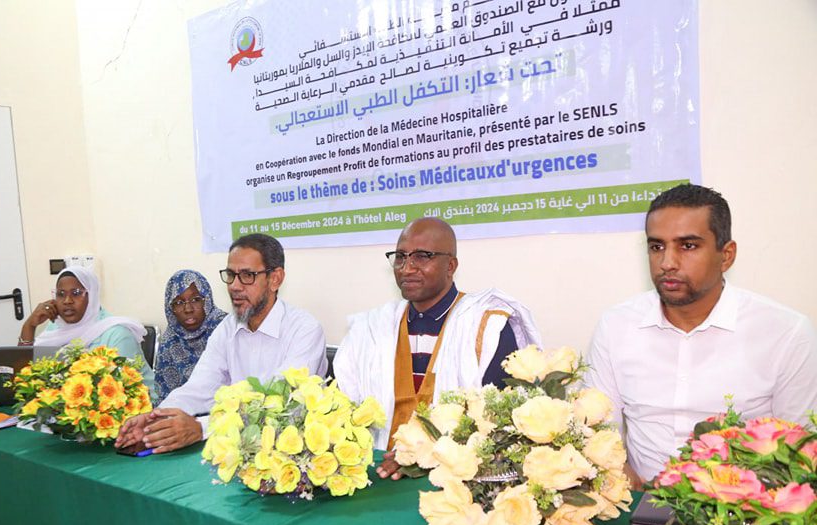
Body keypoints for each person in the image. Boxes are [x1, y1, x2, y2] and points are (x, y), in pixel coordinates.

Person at [586, 184, 817, 485]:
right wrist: (637, 493)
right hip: (638, 497)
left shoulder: (786, 333)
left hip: (741, 506)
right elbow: (598, 438)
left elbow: (800, 454)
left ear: (726, 255)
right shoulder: (616, 326)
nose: (667, 263)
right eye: (657, 247)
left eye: (688, 246)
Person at [334, 217, 542, 480]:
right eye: (400, 257)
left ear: (451, 266)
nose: (407, 268)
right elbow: (345, 409)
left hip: (456, 479)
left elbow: (498, 423)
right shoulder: (371, 329)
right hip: (377, 474)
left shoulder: (487, 326)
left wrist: (421, 455)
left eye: (422, 256)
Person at [115, 234, 327, 454]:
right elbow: (200, 387)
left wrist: (201, 428)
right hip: (234, 447)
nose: (234, 286)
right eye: (231, 275)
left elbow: (280, 408)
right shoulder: (227, 328)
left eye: (247, 276)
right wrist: (155, 420)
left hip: (292, 452)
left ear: (275, 279)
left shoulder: (304, 330)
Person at [19, 265, 156, 399]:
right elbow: (24, 376)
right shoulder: (55, 328)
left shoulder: (117, 334)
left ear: (92, 296)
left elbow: (121, 390)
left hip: (133, 405)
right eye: (61, 294)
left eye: (76, 293)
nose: (67, 301)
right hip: (72, 405)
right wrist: (29, 326)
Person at [155, 269, 227, 401]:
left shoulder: (226, 330)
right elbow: (164, 397)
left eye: (196, 300)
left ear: (207, 300)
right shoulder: (170, 341)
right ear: (171, 308)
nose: (188, 309)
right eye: (178, 303)